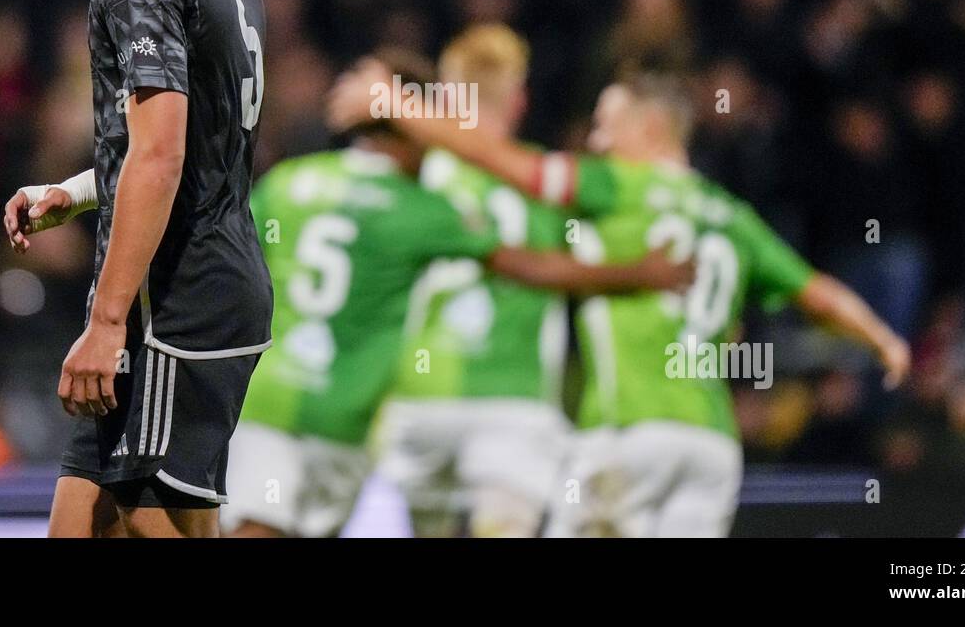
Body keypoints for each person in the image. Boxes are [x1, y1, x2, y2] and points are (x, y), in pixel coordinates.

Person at [329, 64, 911, 536]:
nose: (597, 142)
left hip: (628, 432)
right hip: (711, 445)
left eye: (608, 126)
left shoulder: (617, 187)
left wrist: (398, 105)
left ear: (650, 128)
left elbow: (506, 163)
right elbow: (818, 294)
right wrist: (883, 338)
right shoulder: (731, 215)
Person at [223, 49, 692, 538]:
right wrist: (640, 272)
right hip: (369, 414)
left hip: (293, 399)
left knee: (258, 524)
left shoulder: (288, 182)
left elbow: (232, 271)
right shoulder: (425, 207)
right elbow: (529, 265)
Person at [1, 0, 269, 538]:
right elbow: (196, 138)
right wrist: (77, 191)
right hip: (209, 284)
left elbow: (162, 151)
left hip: (173, 304)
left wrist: (109, 323)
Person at [374, 25, 577, 537]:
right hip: (514, 398)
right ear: (520, 100)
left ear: (446, 96)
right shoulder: (549, 182)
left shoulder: (417, 174)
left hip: (418, 397)